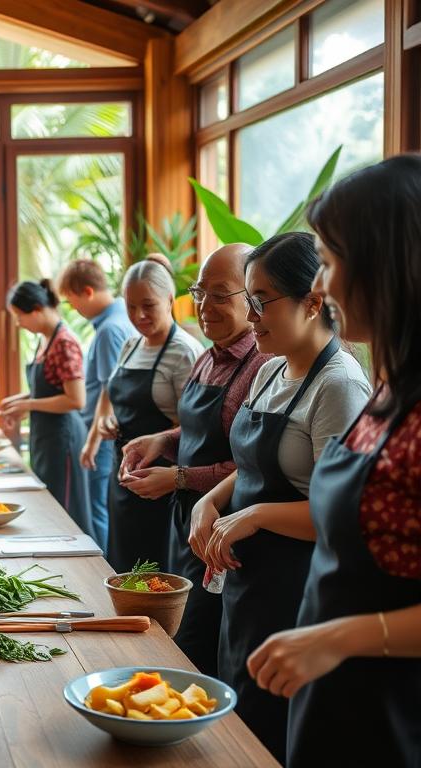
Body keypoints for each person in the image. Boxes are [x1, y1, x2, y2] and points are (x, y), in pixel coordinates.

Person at [247, 156, 421, 768]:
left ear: (389, 264)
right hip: (331, 694)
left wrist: (341, 636)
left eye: (329, 261)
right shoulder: (388, 389)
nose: (319, 288)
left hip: (396, 717)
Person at [190, 232, 370, 762]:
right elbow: (249, 465)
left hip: (296, 589)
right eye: (248, 299)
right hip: (246, 583)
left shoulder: (340, 386)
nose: (251, 315)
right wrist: (211, 502)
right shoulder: (269, 368)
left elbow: (343, 514)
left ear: (313, 302)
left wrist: (257, 514)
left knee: (272, 733)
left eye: (261, 301)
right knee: (237, 720)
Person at [116, 244, 269, 676]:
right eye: (200, 292)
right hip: (185, 521)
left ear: (254, 296)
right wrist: (160, 439)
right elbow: (196, 428)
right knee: (178, 635)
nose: (205, 305)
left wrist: (179, 477)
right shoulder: (208, 355)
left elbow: (251, 461)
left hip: (225, 531)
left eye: (221, 294)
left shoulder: (263, 363)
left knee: (195, 648)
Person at [83, 259, 203, 573]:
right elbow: (110, 391)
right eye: (131, 306)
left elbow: (194, 424)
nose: (139, 316)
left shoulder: (185, 351)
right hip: (121, 472)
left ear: (169, 300)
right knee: (120, 563)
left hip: (159, 479)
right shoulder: (130, 345)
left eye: (148, 305)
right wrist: (105, 422)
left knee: (153, 569)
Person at [1, 279, 90, 534]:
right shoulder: (45, 340)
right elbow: (50, 388)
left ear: (37, 309)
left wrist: (27, 403)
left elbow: (76, 399)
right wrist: (18, 401)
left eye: (20, 316)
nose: (18, 324)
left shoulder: (63, 342)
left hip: (63, 438)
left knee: (64, 510)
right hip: (46, 437)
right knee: (48, 505)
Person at [60, 259, 134, 548]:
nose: (74, 309)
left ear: (87, 292)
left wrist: (92, 440)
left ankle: (100, 575)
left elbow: (109, 389)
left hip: (101, 431)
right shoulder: (117, 321)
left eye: (73, 301)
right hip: (102, 430)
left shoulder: (109, 329)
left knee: (98, 508)